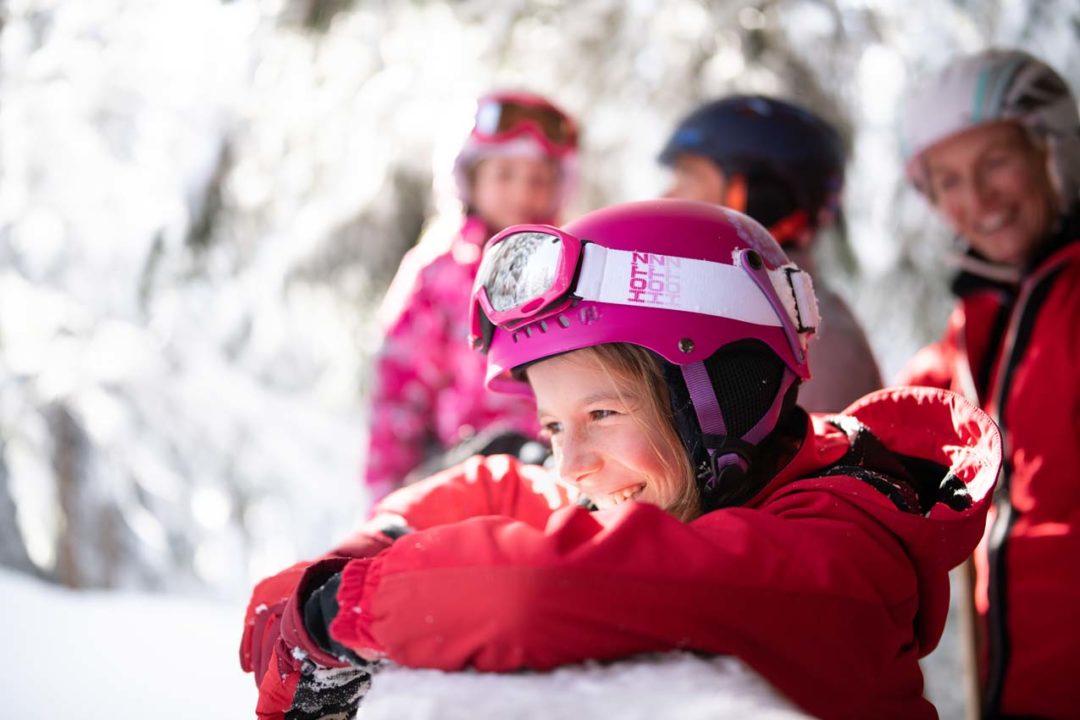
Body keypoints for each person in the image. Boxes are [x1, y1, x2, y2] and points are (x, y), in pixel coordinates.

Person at [241, 200, 1000, 719]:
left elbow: (538, 589)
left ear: (727, 392)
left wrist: (340, 610)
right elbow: (502, 487)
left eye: (602, 414)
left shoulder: (834, 549)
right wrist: (356, 553)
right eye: (553, 425)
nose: (571, 463)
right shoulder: (686, 487)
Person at [897, 49, 1080, 718]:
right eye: (947, 180)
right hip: (1023, 687)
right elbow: (896, 418)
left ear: (1051, 150)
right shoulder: (982, 318)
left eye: (995, 162)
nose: (975, 200)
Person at [363, 91, 579, 500]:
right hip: (457, 478)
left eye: (538, 179)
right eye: (505, 175)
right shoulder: (437, 274)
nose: (522, 193)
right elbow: (397, 394)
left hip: (555, 475)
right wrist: (390, 500)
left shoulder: (576, 265)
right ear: (470, 180)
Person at [659, 95, 883, 412]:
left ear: (757, 197)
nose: (666, 196)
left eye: (688, 176)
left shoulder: (815, 340)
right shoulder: (747, 314)